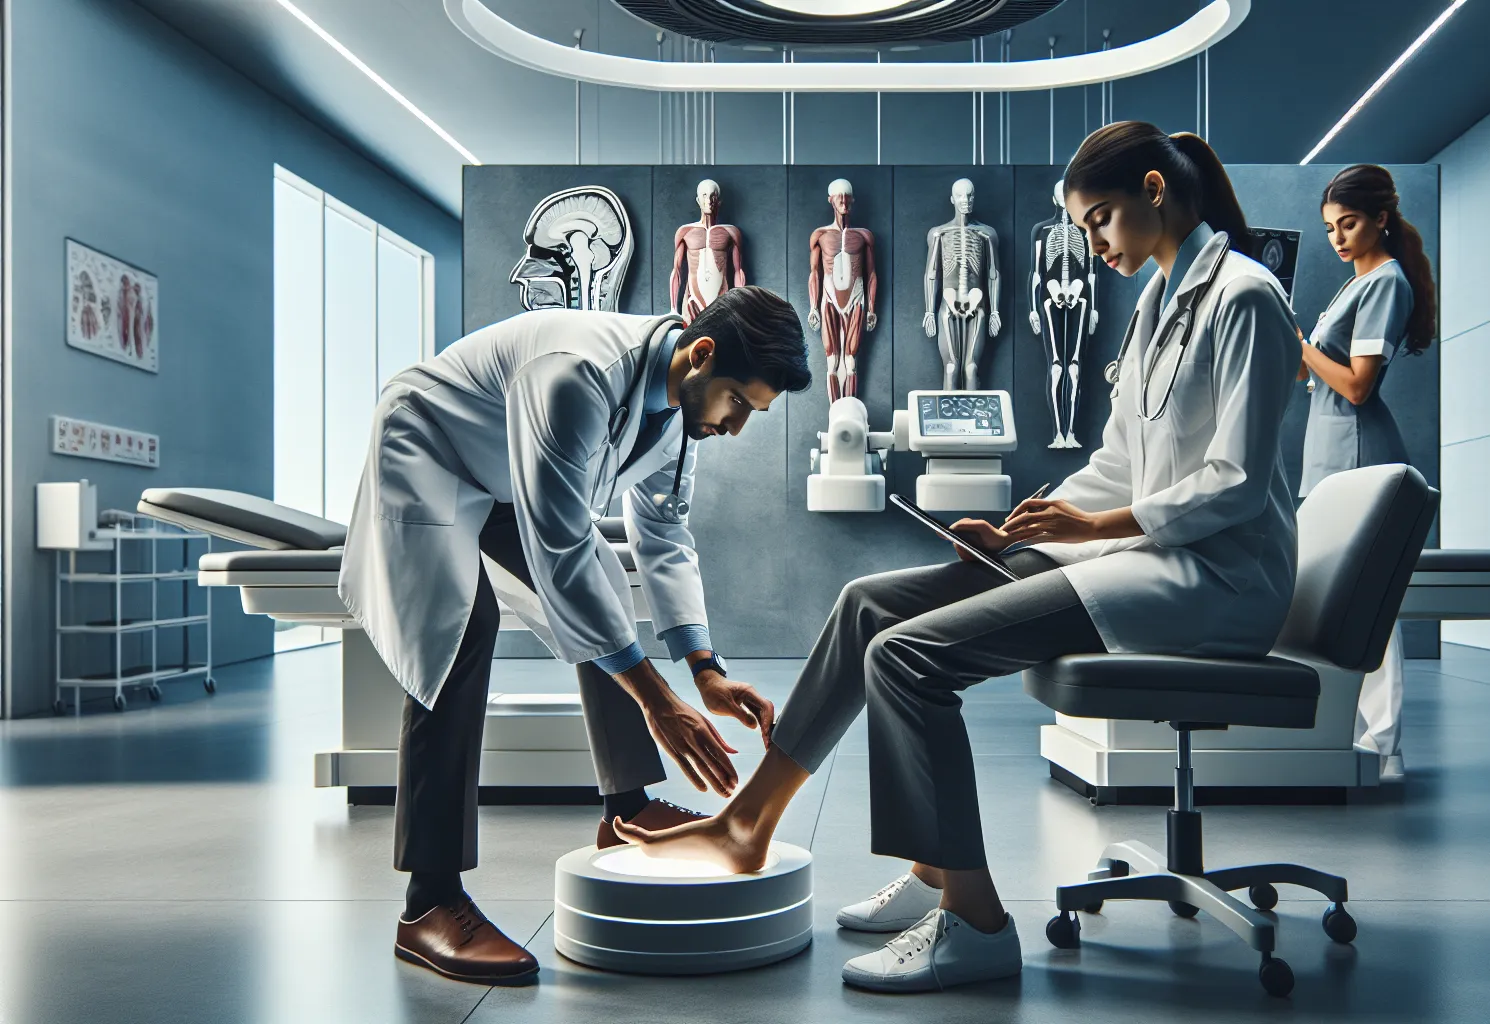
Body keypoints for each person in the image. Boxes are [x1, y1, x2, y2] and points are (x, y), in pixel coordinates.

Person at [617, 121, 1302, 994]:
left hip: (1215, 582)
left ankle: (974, 921)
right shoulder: (1158, 305)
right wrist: (1030, 528)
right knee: (870, 604)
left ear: (1155, 193)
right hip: (1138, 558)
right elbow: (1120, 464)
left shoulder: (1243, 296)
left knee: (907, 659)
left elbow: (1236, 484)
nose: (1093, 246)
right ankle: (754, 822)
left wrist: (1092, 532)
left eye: (1099, 222)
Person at [338, 286, 809, 985]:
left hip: (502, 473)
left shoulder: (685, 408)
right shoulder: (575, 374)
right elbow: (559, 549)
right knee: (458, 633)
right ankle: (428, 904)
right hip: (430, 451)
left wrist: (703, 668)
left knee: (608, 595)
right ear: (702, 354)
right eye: (739, 403)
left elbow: (665, 533)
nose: (737, 426)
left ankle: (626, 809)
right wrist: (655, 699)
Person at [1295, 164, 1438, 783]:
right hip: (1327, 453)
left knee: (1368, 602)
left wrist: (1300, 346)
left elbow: (1356, 386)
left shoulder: (1384, 283)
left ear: (1380, 216)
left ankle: (1384, 742)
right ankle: (1354, 734)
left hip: (1357, 452)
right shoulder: (1353, 286)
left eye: (1348, 224)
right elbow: (1317, 376)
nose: (1337, 238)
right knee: (1337, 600)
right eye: (1330, 229)